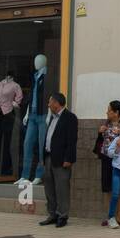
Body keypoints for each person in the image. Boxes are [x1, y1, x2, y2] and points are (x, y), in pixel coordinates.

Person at [39, 93, 78, 229]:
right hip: (49, 157)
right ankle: (52, 214)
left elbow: (72, 140)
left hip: (62, 160)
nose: (48, 105)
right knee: (49, 187)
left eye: (50, 102)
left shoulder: (70, 118)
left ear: (56, 103)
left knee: (62, 188)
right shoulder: (52, 118)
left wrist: (69, 159)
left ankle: (62, 215)